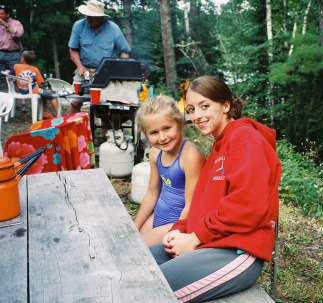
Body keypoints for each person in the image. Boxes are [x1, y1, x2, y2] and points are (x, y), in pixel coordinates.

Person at [149, 76, 282, 302]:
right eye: (191, 109)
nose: (197, 115)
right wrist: (181, 229)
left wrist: (196, 237)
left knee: (153, 289)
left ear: (226, 106)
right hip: (211, 241)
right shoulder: (218, 147)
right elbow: (203, 204)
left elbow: (249, 206)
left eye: (205, 106)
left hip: (238, 252)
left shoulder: (245, 138)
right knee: (138, 262)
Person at [134, 95, 205, 246]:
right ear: (146, 134)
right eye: (153, 132)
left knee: (140, 251)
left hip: (177, 223)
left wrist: (176, 233)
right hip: (158, 215)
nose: (162, 137)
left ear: (179, 123)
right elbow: (152, 193)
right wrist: (135, 226)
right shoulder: (155, 152)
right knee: (133, 244)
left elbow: (191, 206)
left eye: (167, 128)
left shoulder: (191, 156)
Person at [67, 0, 131, 114]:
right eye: (88, 15)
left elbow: (124, 52)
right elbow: (73, 50)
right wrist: (79, 66)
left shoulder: (113, 29)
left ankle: (104, 131)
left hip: (106, 72)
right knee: (75, 102)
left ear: (101, 17)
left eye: (93, 16)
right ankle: (73, 130)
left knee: (105, 105)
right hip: (84, 70)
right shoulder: (78, 26)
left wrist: (119, 71)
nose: (89, 18)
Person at [8, 50, 59, 118]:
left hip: (22, 91)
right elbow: (41, 84)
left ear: (23, 58)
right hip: (34, 91)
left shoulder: (16, 66)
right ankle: (59, 115)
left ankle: (46, 112)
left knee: (44, 93)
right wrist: (44, 89)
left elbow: (9, 78)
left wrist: (9, 72)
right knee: (52, 96)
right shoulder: (35, 69)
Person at [0, 4, 24, 92]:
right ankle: (3, 103)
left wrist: (5, 25)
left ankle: (17, 103)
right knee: (2, 79)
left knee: (15, 77)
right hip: (1, 53)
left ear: (8, 14)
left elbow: (18, 35)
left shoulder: (16, 23)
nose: (0, 16)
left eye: (2, 14)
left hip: (14, 54)